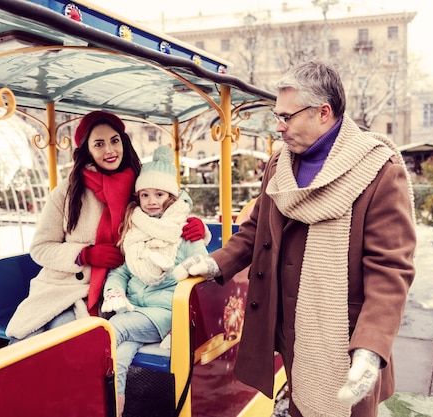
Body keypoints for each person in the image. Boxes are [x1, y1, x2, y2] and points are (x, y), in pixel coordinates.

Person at [173, 61, 416, 417]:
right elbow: (258, 229)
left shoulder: (379, 172)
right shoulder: (280, 165)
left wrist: (370, 347)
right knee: (302, 405)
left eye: (286, 117)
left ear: (323, 112)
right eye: (277, 115)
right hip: (290, 327)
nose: (278, 126)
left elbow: (390, 269)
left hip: (345, 337)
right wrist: (216, 261)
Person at [5, 111, 206, 341]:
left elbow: (174, 207)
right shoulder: (68, 191)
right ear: (87, 150)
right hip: (59, 286)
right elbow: (40, 248)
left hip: (110, 290)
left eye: (114, 141)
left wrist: (198, 227)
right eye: (99, 144)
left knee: (62, 341)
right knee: (23, 342)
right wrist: (84, 254)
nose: (109, 150)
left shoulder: (142, 185)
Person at [100, 145, 209, 417]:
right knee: (119, 357)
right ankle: (116, 410)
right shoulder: (134, 230)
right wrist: (114, 290)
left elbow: (202, 266)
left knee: (111, 331)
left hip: (164, 312)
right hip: (133, 306)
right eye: (145, 194)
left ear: (171, 197)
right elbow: (123, 270)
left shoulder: (182, 231)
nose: (151, 201)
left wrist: (203, 235)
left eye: (159, 194)